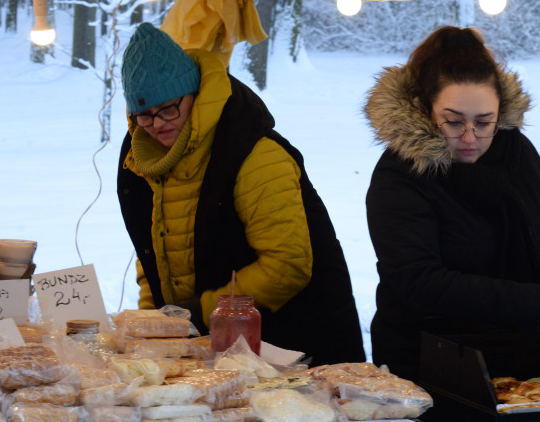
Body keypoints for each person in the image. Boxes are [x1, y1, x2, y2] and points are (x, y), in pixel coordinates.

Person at [364, 26, 540, 381]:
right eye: (452, 122)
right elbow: (419, 282)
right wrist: (538, 302)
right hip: (429, 362)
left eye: (484, 123)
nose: (469, 137)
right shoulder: (400, 174)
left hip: (524, 355)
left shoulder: (515, 150)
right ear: (424, 109)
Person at [117, 22, 364, 365]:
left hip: (292, 349)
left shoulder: (255, 155)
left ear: (195, 94)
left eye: (169, 108)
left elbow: (286, 265)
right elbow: (153, 255)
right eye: (144, 114)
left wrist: (199, 313)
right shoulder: (143, 160)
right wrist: (150, 327)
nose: (157, 123)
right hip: (208, 348)